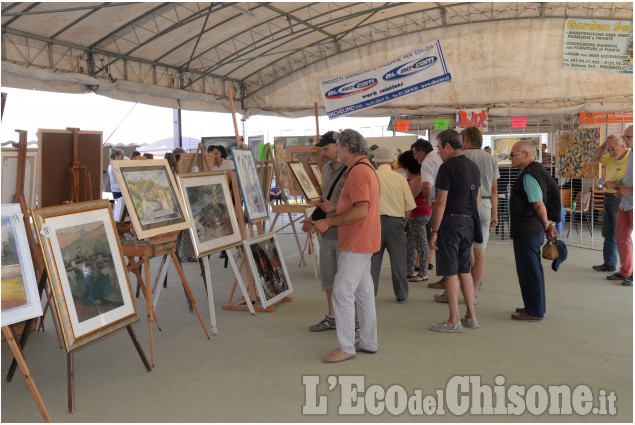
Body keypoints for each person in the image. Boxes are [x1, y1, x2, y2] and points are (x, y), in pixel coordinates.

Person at [313, 129, 380, 363]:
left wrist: (329, 221)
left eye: (338, 146)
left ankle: (345, 346)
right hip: (363, 239)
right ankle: (368, 341)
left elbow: (361, 209)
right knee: (363, 293)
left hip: (357, 240)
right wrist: (335, 207)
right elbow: (359, 206)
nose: (336, 151)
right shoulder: (362, 168)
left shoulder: (358, 172)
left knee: (342, 292)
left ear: (347, 148)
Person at [428, 129, 480, 333]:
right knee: (464, 270)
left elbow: (441, 201)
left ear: (448, 146)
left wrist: (434, 230)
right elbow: (476, 198)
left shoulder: (447, 167)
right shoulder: (473, 166)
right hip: (469, 222)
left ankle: (453, 320)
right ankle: (471, 315)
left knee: (450, 272)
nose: (439, 152)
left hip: (450, 223)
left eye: (439, 147)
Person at [302, 131, 349, 332]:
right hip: (327, 232)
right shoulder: (328, 169)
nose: (323, 153)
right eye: (321, 149)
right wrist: (313, 219)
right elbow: (325, 199)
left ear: (339, 147)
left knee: (347, 279)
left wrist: (334, 209)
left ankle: (352, 321)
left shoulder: (352, 170)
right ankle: (332, 316)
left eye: (326, 149)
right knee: (328, 276)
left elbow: (356, 206)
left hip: (345, 233)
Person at [508, 140, 558, 321]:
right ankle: (533, 306)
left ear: (526, 155)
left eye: (513, 154)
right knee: (531, 269)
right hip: (530, 228)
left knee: (529, 270)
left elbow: (538, 204)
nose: (510, 158)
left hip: (528, 229)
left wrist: (547, 224)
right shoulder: (536, 171)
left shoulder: (529, 176)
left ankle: (535, 310)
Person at [370, 147, 416, 303]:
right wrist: (403, 223)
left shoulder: (371, 177)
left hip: (374, 223)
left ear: (375, 161)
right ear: (391, 161)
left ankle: (370, 294)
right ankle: (401, 294)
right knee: (398, 261)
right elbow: (409, 207)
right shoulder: (400, 179)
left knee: (373, 261)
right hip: (396, 222)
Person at [460, 127, 499, 302]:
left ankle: (460, 286)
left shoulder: (462, 158)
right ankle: (474, 291)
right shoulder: (490, 159)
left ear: (466, 140)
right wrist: (495, 213)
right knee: (481, 249)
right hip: (485, 203)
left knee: (464, 246)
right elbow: (494, 189)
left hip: (465, 204)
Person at [590, 135, 630, 273]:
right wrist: (603, 145)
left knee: (621, 234)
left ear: (623, 146)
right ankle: (609, 263)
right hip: (607, 197)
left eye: (613, 149)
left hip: (621, 199)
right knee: (608, 232)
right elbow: (594, 158)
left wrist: (616, 183)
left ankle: (626, 270)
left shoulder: (630, 158)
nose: (611, 152)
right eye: (609, 149)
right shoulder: (611, 158)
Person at [411, 138, 444, 289]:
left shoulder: (426, 163)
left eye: (415, 153)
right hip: (453, 203)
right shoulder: (439, 157)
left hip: (439, 203)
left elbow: (426, 185)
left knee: (433, 241)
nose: (415, 157)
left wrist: (427, 199)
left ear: (422, 152)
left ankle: (445, 278)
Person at [398, 150, 432, 283]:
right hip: (416, 214)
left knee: (420, 243)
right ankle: (409, 270)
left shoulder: (417, 178)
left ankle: (423, 272)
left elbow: (408, 198)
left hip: (419, 214)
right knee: (411, 244)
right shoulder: (414, 177)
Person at [613, 125, 633, 286]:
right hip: (626, 203)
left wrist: (629, 189)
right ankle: (626, 271)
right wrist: (621, 184)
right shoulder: (631, 153)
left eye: (628, 137)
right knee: (621, 237)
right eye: (625, 137)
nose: (625, 140)